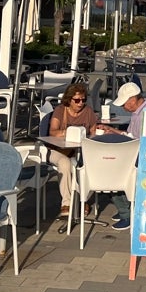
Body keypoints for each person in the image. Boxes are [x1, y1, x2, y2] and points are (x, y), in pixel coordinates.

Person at [47, 82, 98, 218]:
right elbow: (52, 131)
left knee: (87, 164)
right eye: (77, 100)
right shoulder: (60, 110)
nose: (80, 103)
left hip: (79, 150)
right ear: (69, 100)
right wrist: (70, 133)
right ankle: (67, 203)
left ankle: (83, 199)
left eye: (83, 100)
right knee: (65, 163)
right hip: (59, 149)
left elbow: (93, 132)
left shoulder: (88, 112)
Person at [108, 81, 146, 230]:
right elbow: (132, 135)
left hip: (140, 157)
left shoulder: (145, 115)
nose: (123, 108)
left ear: (132, 100)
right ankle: (125, 208)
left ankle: (126, 211)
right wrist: (113, 131)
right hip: (136, 153)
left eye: (124, 104)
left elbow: (137, 141)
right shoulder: (140, 112)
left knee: (108, 169)